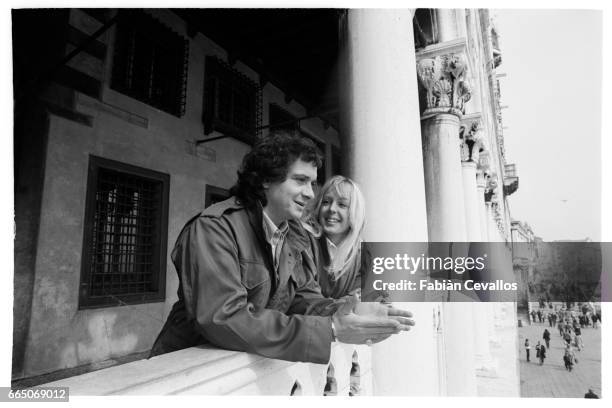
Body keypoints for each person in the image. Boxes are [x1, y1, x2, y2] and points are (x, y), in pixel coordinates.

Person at [149, 132, 414, 363]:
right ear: (267, 179)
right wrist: (331, 329)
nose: (311, 194)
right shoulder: (214, 228)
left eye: (312, 183)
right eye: (300, 180)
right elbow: (223, 318)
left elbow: (304, 299)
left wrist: (348, 312)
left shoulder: (293, 236)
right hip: (187, 370)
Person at [302, 175, 369, 299]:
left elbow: (365, 298)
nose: (332, 209)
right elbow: (306, 298)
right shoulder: (304, 242)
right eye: (326, 202)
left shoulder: (361, 253)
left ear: (354, 212)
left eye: (342, 205)